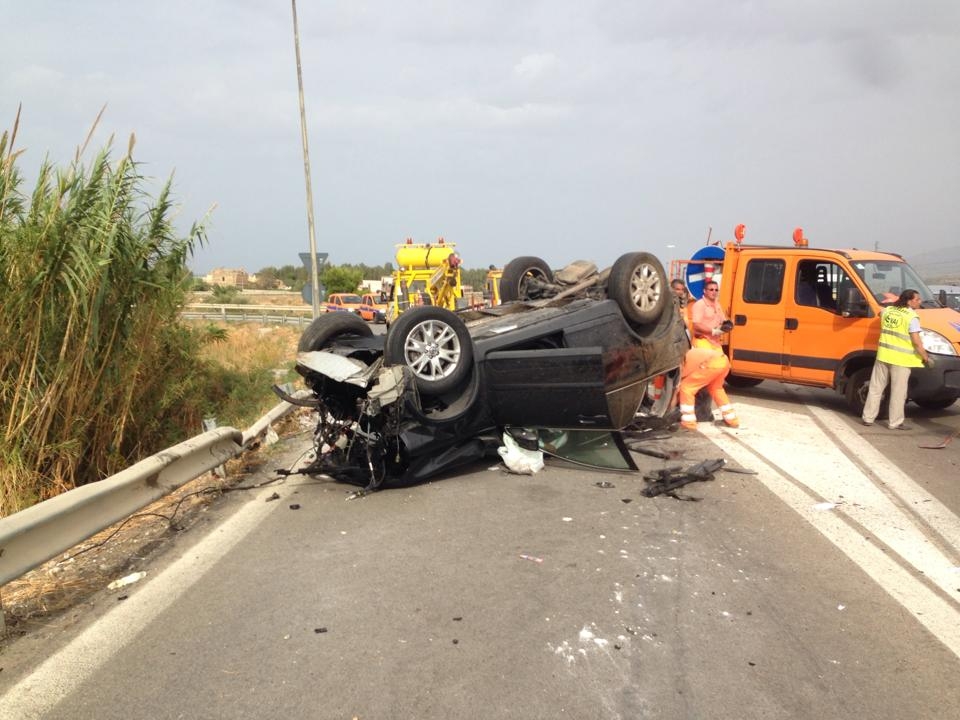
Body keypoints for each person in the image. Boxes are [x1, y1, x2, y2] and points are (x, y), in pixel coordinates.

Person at [862, 288, 932, 430]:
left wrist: (892, 301)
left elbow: (880, 312)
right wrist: (926, 357)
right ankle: (895, 422)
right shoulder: (911, 317)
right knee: (898, 392)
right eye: (917, 299)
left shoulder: (888, 311)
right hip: (900, 360)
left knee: (875, 388)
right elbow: (916, 342)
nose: (920, 302)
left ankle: (868, 418)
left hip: (883, 356)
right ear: (909, 301)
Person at [677, 345, 739, 431]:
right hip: (723, 361)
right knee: (716, 389)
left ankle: (688, 424)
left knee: (686, 388)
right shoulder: (683, 354)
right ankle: (732, 420)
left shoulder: (675, 363)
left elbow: (677, 385)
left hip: (710, 363)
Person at [690, 280, 728, 349]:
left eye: (716, 290)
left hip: (716, 343)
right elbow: (696, 325)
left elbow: (723, 321)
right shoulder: (700, 304)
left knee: (722, 359)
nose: (714, 292)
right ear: (704, 291)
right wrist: (713, 331)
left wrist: (728, 325)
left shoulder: (717, 304)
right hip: (703, 342)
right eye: (711, 290)